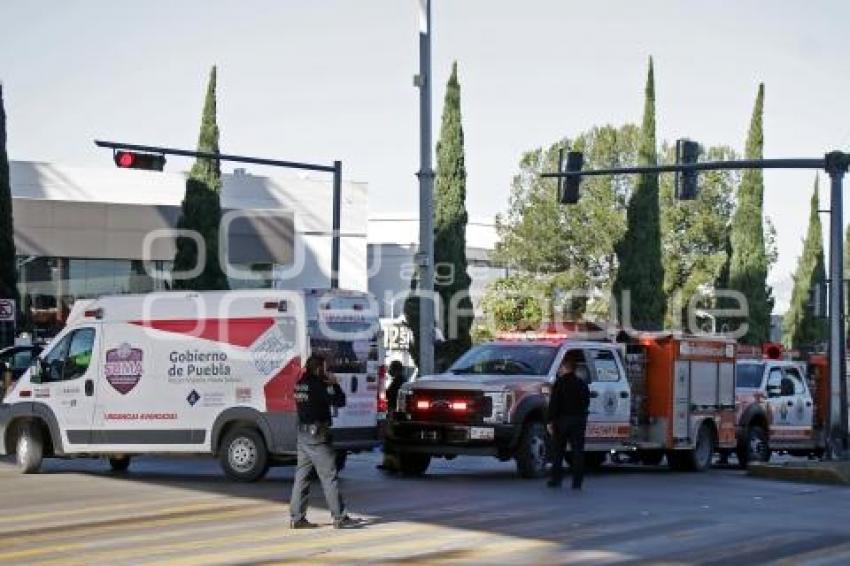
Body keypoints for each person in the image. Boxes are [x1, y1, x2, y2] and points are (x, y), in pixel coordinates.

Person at [289, 354, 360, 529]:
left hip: (303, 435)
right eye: (325, 368)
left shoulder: (300, 384)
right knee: (329, 477)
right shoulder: (318, 385)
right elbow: (340, 401)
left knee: (301, 477)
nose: (327, 371)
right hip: (318, 437)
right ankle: (339, 517)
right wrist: (335, 384)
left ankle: (297, 518)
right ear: (319, 368)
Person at [547, 350, 591, 490]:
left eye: (562, 367)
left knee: (558, 451)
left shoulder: (559, 384)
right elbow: (586, 402)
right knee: (578, 451)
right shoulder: (581, 383)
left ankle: (556, 479)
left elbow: (554, 404)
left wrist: (550, 421)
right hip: (578, 420)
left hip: (562, 421)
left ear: (565, 367)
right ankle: (577, 482)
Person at [377, 360, 407, 472]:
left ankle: (392, 463)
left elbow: (389, 395)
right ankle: (390, 462)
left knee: (390, 436)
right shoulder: (402, 380)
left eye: (391, 369)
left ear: (395, 370)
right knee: (390, 436)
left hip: (393, 412)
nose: (389, 371)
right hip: (395, 412)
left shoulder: (398, 381)